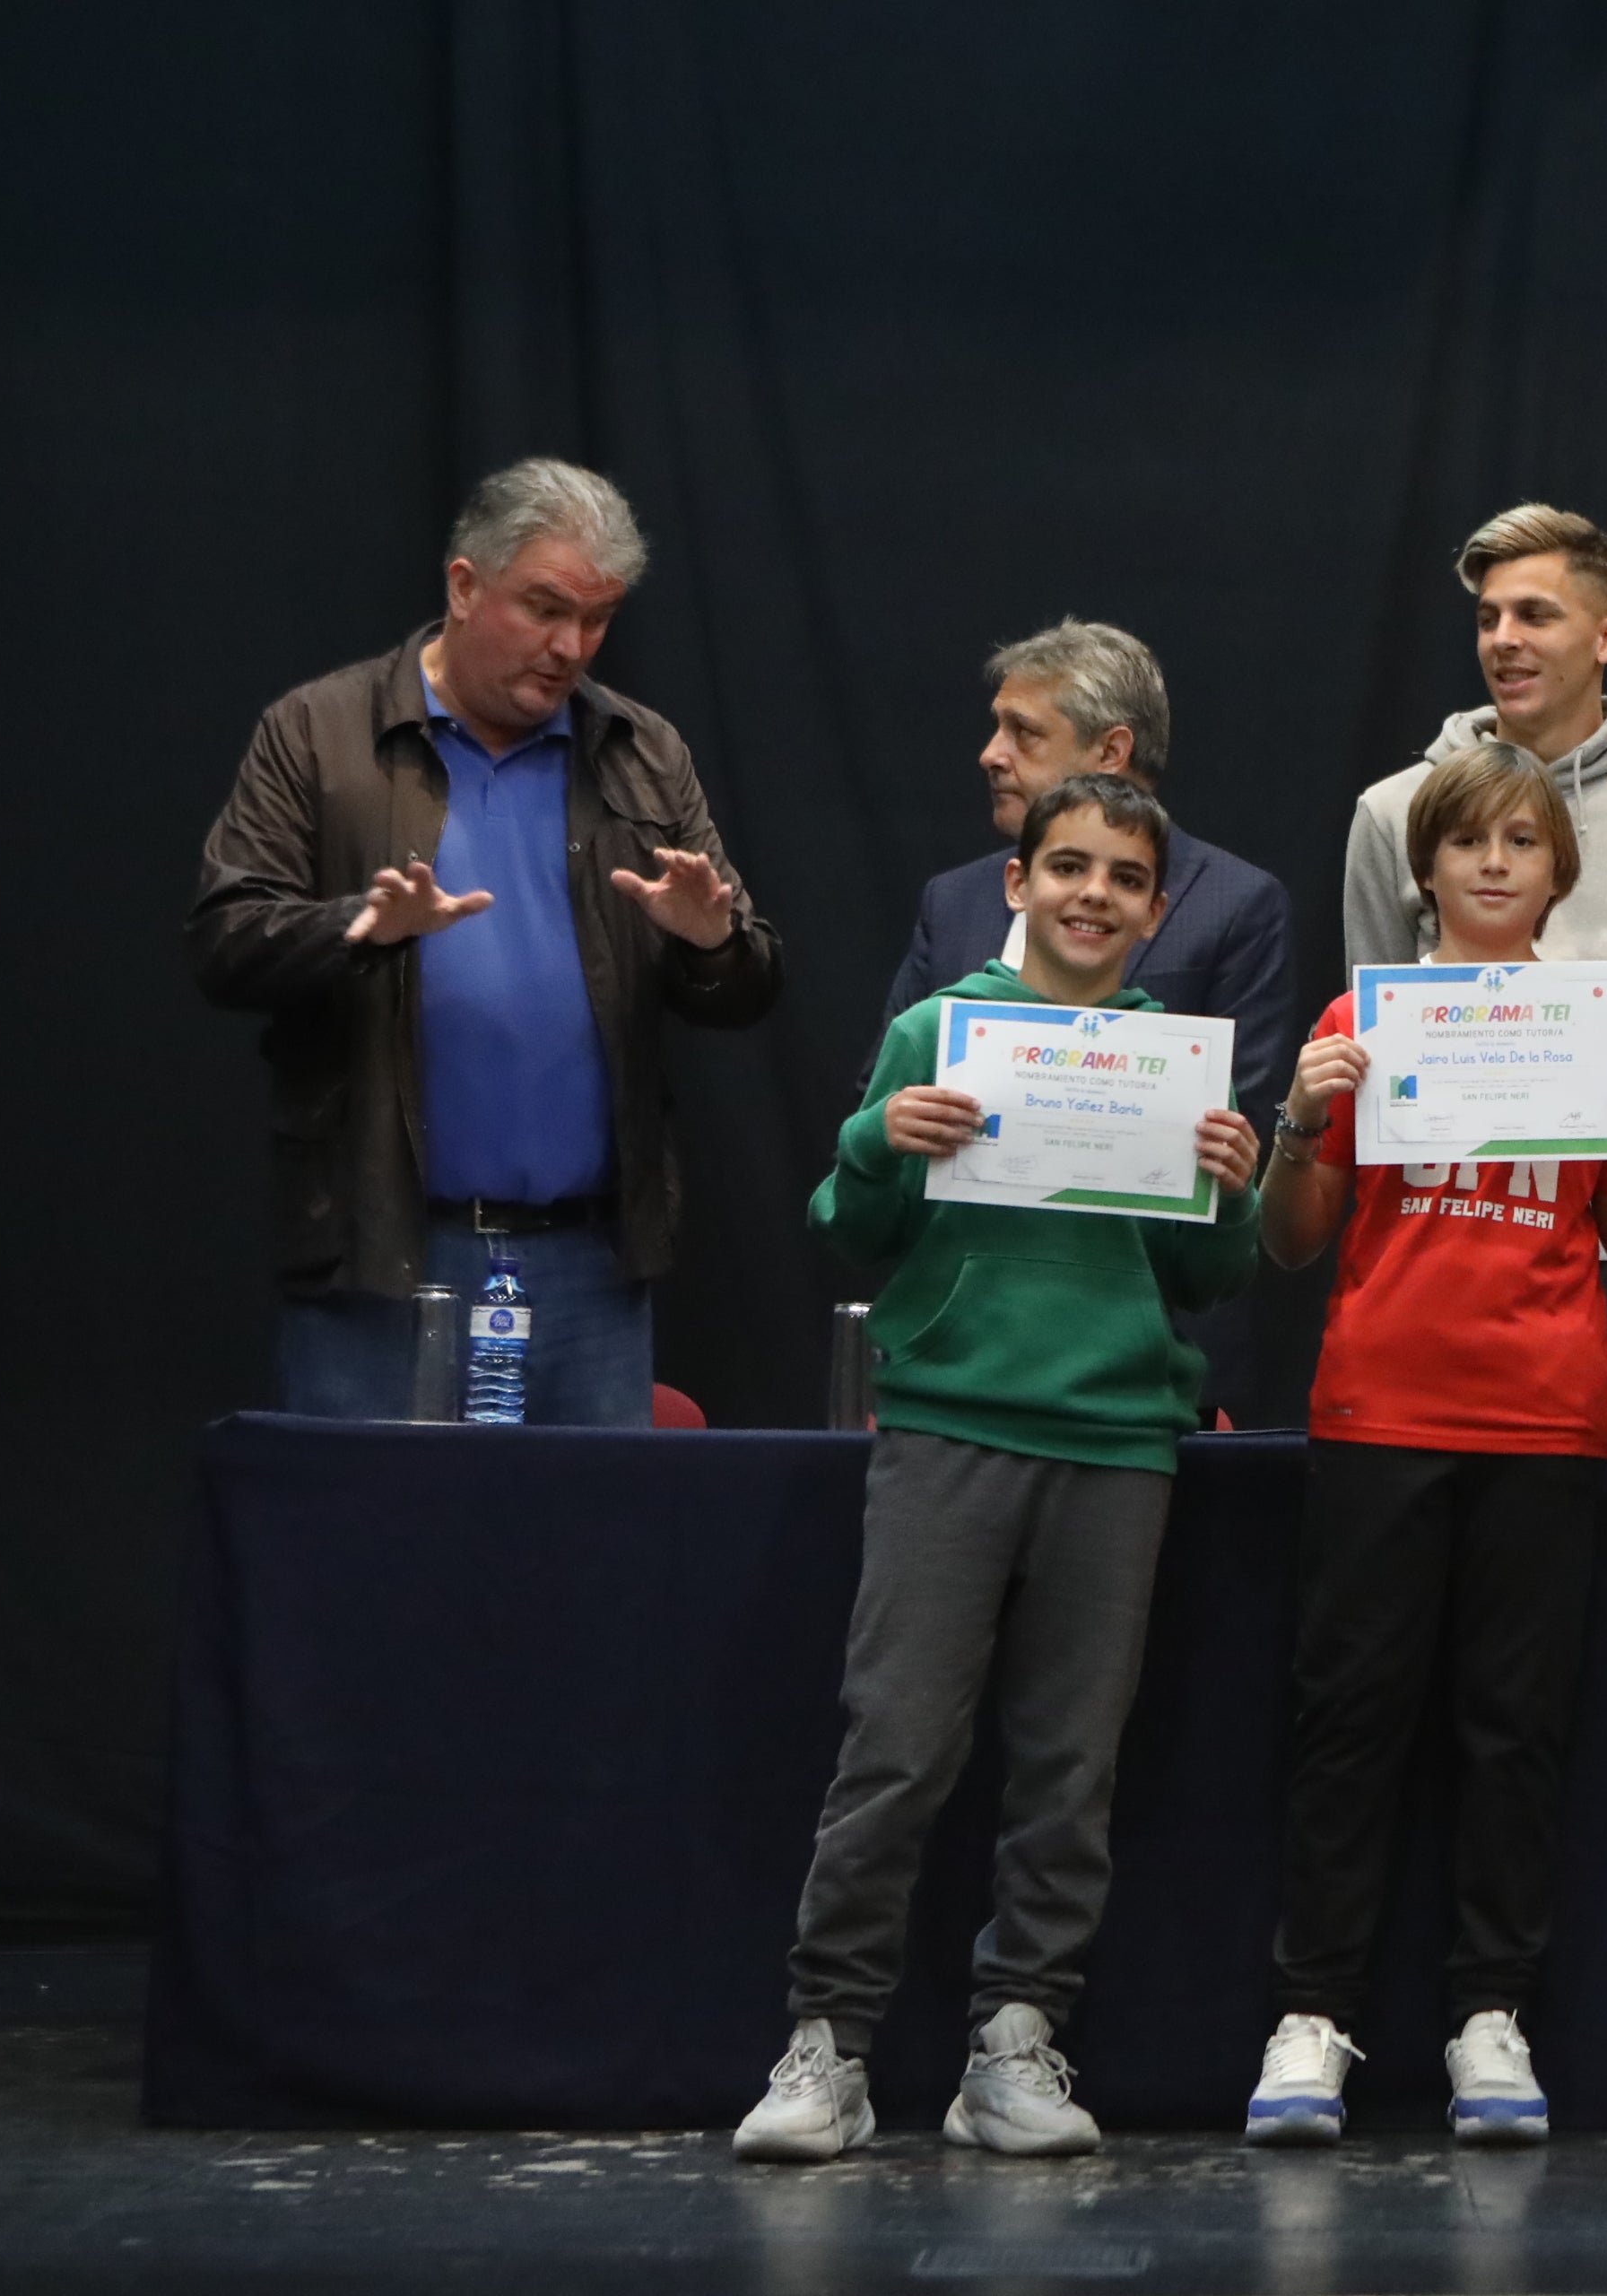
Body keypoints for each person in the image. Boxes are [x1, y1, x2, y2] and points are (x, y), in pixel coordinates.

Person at [737, 775, 1264, 2163]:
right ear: (1017, 881)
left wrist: (1232, 1182)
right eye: (1069, 865)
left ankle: (1017, 2042)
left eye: (1125, 877)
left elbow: (1209, 1274)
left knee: (1068, 1768)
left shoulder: (1176, 1063)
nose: (1095, 893)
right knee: (897, 1747)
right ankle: (827, 2044)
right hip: (952, 1428)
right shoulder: (939, 1029)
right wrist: (876, 1141)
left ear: (1157, 909)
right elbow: (845, 1229)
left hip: (1115, 1445)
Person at [1251, 744, 1607, 2146]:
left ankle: (1489, 2016)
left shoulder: (1591, 1028)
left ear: (1560, 873)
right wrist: (1304, 1120)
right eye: (1468, 843)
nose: (1495, 862)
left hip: (1544, 1417)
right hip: (1382, 1411)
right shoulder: (1358, 1020)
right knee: (1352, 1721)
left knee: (1516, 1730)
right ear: (1423, 869)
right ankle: (1312, 2014)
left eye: (1522, 842)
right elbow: (1291, 1239)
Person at [187, 458, 781, 1424]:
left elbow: (748, 987)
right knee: (372, 1553)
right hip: (384, 1258)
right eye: (544, 609)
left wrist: (714, 946)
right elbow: (220, 943)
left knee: (584, 1559)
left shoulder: (641, 751)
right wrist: (356, 929)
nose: (570, 647)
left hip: (592, 1264)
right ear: (464, 585)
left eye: (596, 620)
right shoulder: (318, 734)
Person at [1342, 506, 1607, 1438]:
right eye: (1489, 617)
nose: (1504, 639)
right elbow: (1371, 1029)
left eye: (1535, 615)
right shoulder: (1392, 811)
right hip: (1445, 1252)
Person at [884, 619, 1295, 1420]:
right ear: (1017, 884)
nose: (990, 753)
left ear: (1111, 752)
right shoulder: (956, 897)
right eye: (997, 727)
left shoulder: (1236, 905)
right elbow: (885, 1094)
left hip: (1139, 1364)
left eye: (1023, 732)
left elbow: (1231, 1136)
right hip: (960, 1348)